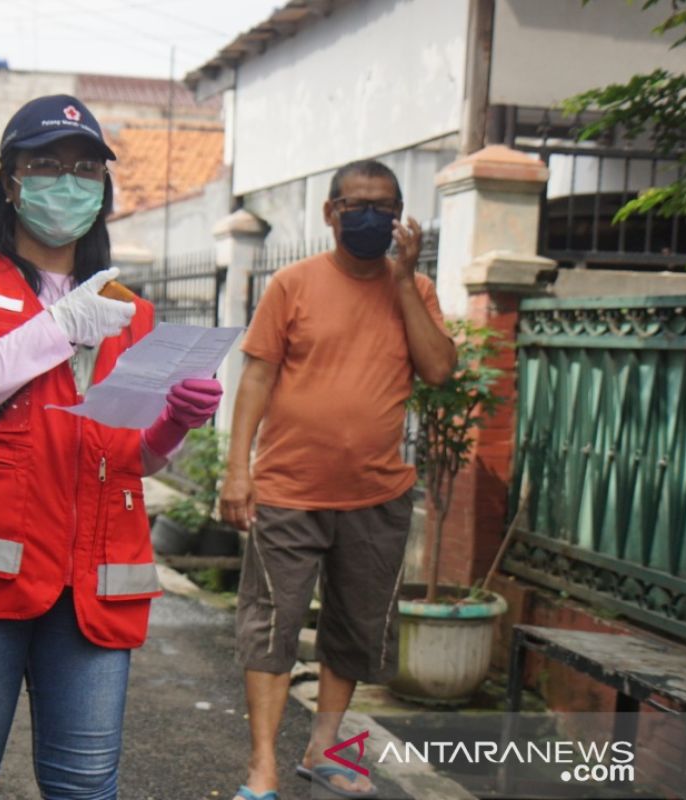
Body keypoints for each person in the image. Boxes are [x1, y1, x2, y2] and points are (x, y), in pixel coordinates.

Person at [0, 94, 223, 800]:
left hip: (95, 587)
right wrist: (61, 325)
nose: (66, 181)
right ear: (11, 181)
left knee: (85, 789)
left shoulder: (134, 313)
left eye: (85, 169)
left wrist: (175, 422)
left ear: (103, 192)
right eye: (45, 164)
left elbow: (129, 454)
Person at [218, 160, 456, 800]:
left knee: (354, 633)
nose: (373, 218)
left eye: (386, 206)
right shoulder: (292, 285)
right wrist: (237, 470)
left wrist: (404, 282)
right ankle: (262, 765)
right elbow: (258, 380)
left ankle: (328, 750)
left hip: (377, 495)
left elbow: (438, 369)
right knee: (271, 628)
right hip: (288, 492)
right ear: (331, 214)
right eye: (358, 206)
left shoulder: (417, 290)